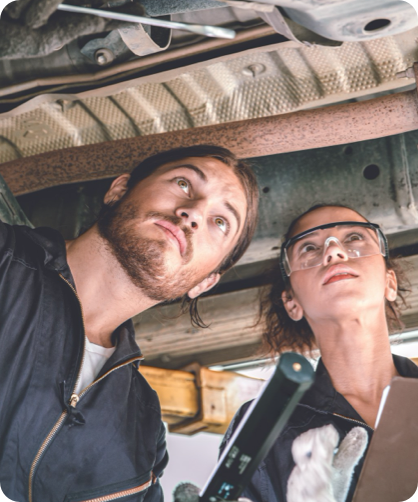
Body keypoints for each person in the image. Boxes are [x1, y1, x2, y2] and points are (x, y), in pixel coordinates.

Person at [0, 144, 259, 502]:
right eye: (183, 183)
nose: (194, 212)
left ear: (204, 282)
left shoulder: (143, 433)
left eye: (220, 222)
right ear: (119, 190)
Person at [220, 204, 418, 502]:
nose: (333, 251)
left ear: (390, 282)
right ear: (292, 302)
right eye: (309, 248)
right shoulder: (265, 424)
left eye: (354, 238)